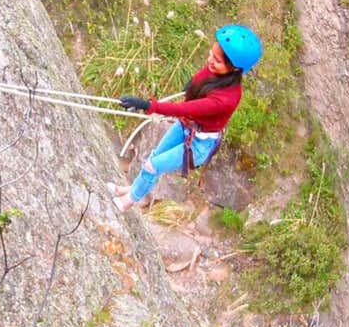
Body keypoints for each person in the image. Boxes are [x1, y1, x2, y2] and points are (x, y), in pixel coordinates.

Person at [110, 25, 262, 211]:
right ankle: (132, 189)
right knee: (154, 157)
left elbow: (184, 108)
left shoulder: (226, 99)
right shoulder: (217, 71)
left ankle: (129, 201)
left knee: (152, 166)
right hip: (187, 127)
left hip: (198, 145)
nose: (209, 61)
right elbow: (204, 75)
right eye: (211, 54)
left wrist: (148, 106)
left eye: (217, 60)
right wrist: (193, 84)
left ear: (235, 69)